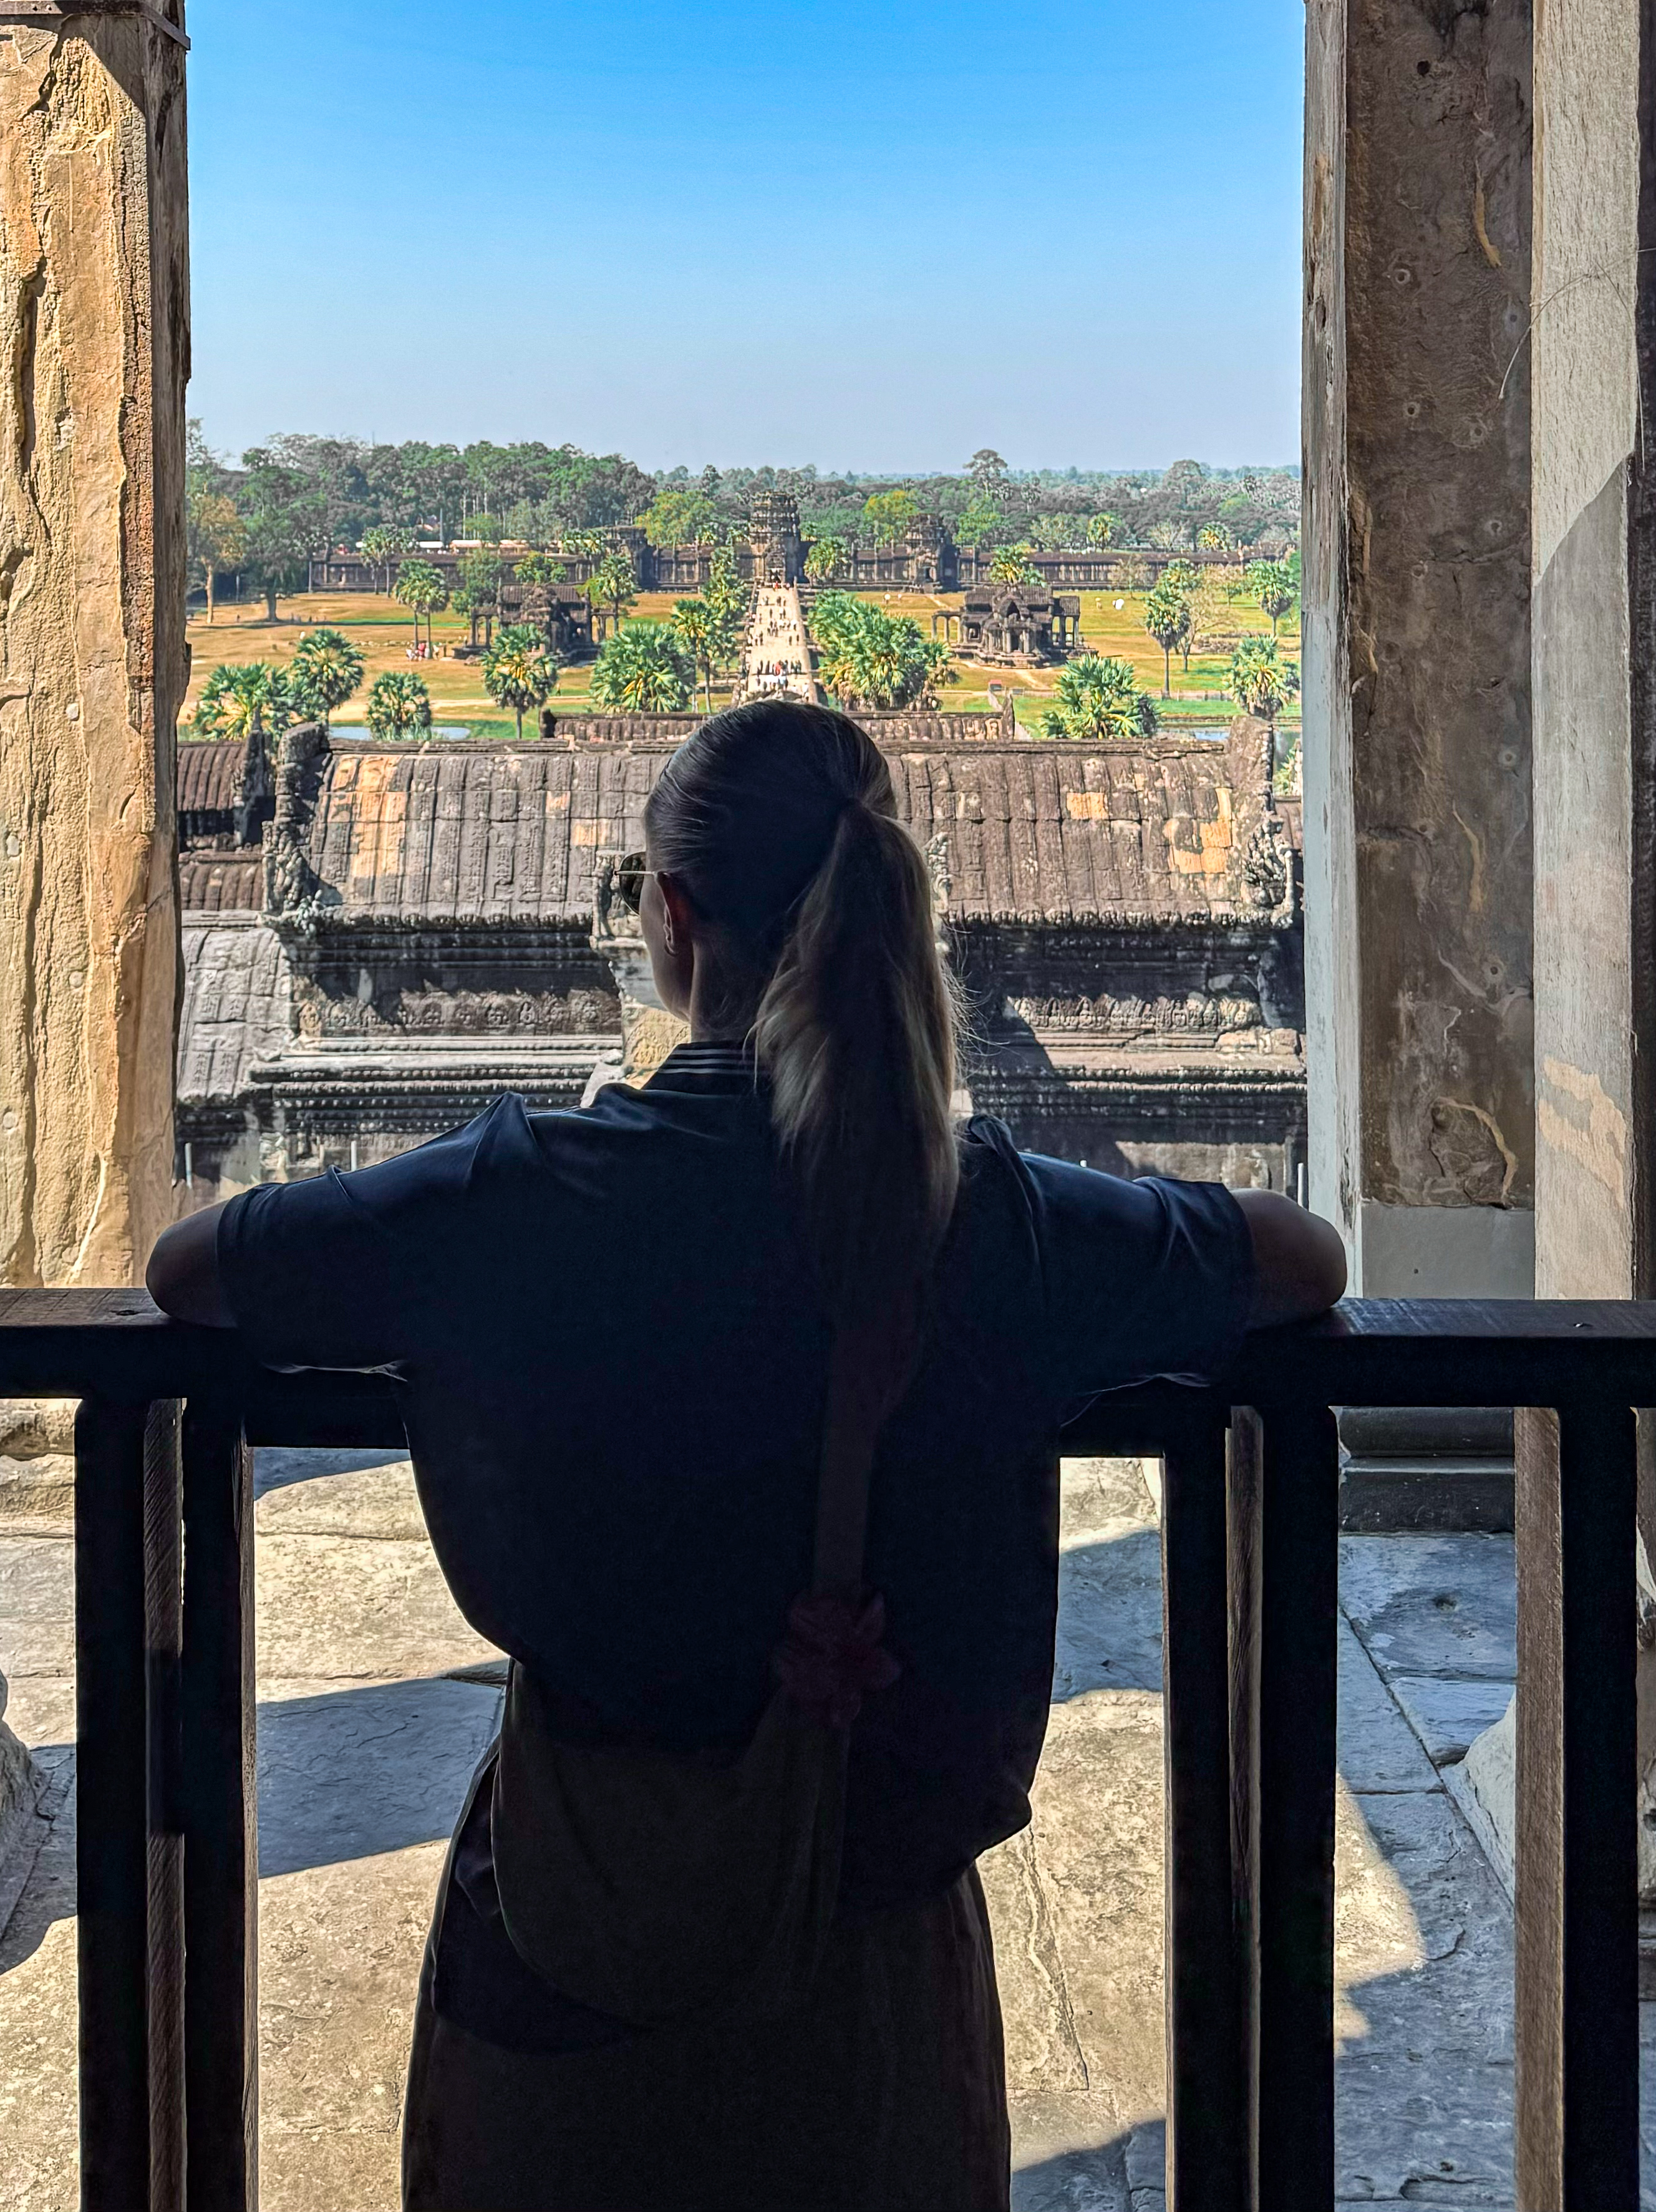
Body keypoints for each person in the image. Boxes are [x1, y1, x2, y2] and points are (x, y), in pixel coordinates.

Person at [148, 700, 1345, 2211]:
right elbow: (1303, 1259)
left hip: (577, 1917)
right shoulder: (989, 1218)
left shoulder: (524, 1196)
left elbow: (195, 1270)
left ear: (666, 917)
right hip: (875, 1954)